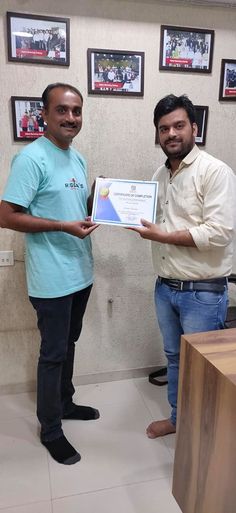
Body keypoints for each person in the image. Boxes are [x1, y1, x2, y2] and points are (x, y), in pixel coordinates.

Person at [0, 83, 100, 465]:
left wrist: (100, 198)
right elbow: (6, 216)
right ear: (43, 114)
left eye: (76, 111)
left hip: (80, 273)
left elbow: (73, 209)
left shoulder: (77, 158)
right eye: (62, 110)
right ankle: (51, 429)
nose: (71, 118)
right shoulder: (31, 158)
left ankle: (66, 402)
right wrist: (62, 227)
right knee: (53, 353)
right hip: (52, 279)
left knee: (68, 345)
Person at [129, 94, 235, 439]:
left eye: (178, 125)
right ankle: (178, 420)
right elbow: (153, 218)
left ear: (194, 127)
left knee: (203, 369)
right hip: (165, 288)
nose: (171, 133)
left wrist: (164, 236)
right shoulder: (160, 174)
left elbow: (219, 233)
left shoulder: (215, 171)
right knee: (175, 359)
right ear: (157, 134)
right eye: (163, 128)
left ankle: (202, 438)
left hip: (202, 293)